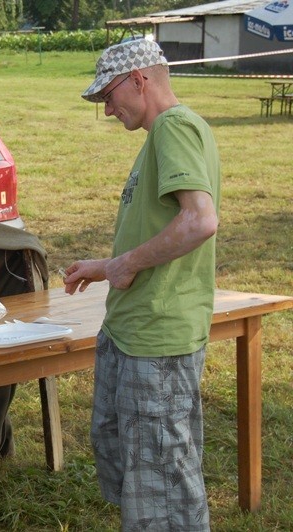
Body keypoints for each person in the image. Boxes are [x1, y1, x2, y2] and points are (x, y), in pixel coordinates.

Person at [65, 39, 220, 531]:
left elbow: (200, 221)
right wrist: (105, 265)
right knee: (132, 463)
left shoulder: (174, 127)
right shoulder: (160, 137)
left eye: (109, 96)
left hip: (158, 334)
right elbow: (162, 226)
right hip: (133, 327)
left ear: (139, 80)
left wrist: (125, 265)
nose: (107, 109)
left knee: (164, 481)